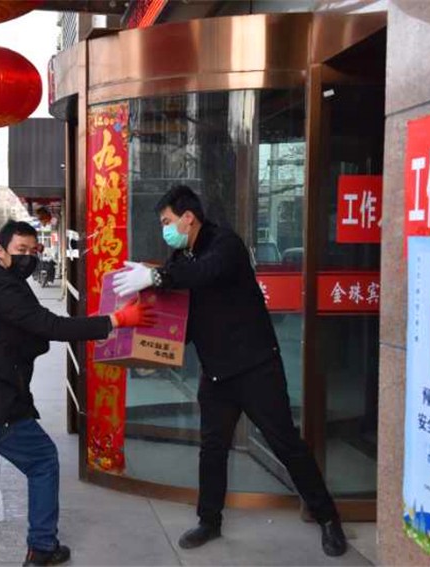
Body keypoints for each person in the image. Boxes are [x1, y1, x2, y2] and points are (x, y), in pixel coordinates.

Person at [112, 185, 348, 557]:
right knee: (212, 449)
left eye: (167, 221)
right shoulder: (180, 256)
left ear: (188, 217)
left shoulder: (225, 245)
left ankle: (328, 518)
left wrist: (156, 277)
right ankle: (209, 521)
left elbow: (204, 273)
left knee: (286, 444)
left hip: (256, 368)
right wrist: (148, 344)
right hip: (217, 373)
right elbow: (180, 311)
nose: (165, 229)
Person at [0, 220, 154, 567]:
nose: (28, 258)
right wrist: (117, 320)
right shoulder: (3, 290)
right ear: (1, 252)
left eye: (33, 251)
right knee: (43, 461)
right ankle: (42, 547)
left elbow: (27, 331)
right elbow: (51, 326)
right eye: (20, 250)